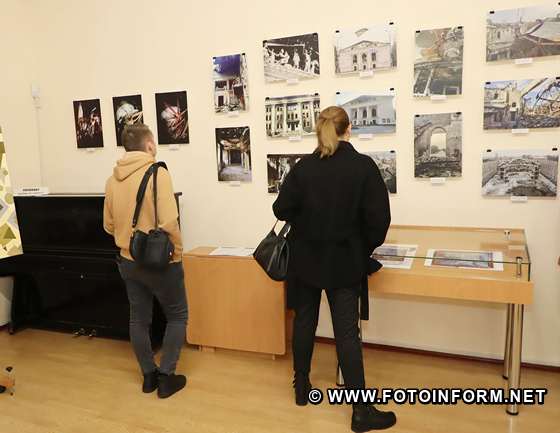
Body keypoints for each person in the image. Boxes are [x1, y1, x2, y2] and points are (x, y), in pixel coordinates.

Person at [273, 106, 396, 432]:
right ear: (348, 129)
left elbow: (281, 208)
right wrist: (361, 248)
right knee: (346, 335)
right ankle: (360, 411)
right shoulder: (363, 167)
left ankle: (302, 389)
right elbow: (379, 222)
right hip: (345, 264)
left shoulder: (304, 168)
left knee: (305, 323)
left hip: (306, 261)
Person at [103, 124, 188, 399]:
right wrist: (178, 251)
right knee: (177, 316)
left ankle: (148, 376)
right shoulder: (158, 173)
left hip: (128, 261)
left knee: (138, 320)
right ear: (149, 145)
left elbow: (108, 225)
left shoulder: (112, 180)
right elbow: (169, 222)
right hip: (160, 263)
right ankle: (166, 377)